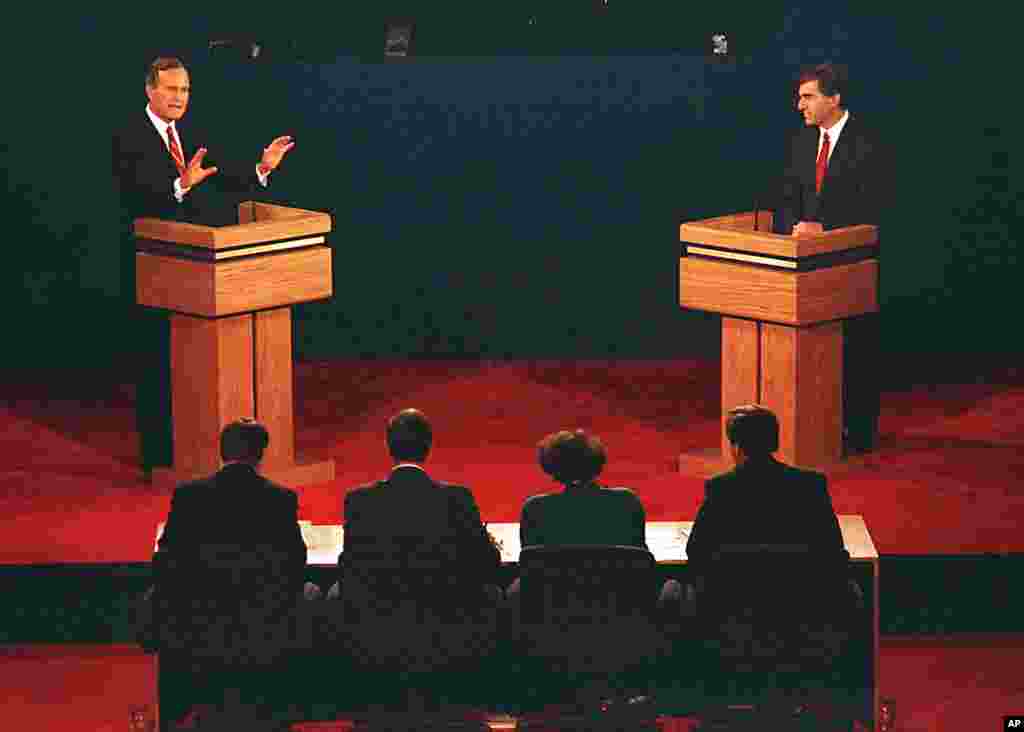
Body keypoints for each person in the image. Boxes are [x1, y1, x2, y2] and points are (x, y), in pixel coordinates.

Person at [111, 57, 296, 477]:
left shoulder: (191, 133)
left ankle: (204, 450)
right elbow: (133, 197)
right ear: (150, 91)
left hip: (198, 268)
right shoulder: (127, 136)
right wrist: (179, 186)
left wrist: (261, 168)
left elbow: (222, 179)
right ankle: (160, 459)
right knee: (158, 365)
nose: (180, 98)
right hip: (153, 268)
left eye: (185, 91)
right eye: (172, 90)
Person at [139, 419, 318, 725]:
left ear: (222, 452)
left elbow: (165, 563)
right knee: (312, 594)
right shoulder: (280, 499)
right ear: (260, 455)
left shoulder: (189, 497)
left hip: (199, 624)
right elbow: (294, 564)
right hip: (263, 625)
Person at [774, 63, 888, 454]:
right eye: (800, 96)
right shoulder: (802, 142)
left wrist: (825, 229)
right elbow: (788, 198)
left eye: (808, 97)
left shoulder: (870, 142)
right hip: (806, 268)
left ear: (834, 99)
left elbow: (877, 203)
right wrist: (793, 228)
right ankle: (814, 429)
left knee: (854, 352)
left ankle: (856, 435)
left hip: (852, 267)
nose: (799, 105)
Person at [685, 405, 860, 611]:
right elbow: (833, 552)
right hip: (803, 611)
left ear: (737, 447)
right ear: (774, 442)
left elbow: (696, 552)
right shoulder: (811, 485)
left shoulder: (721, 488)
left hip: (736, 615)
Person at [329, 408, 502, 615]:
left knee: (334, 594)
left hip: (378, 621)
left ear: (388, 447)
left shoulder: (359, 501)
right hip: (447, 620)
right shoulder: (458, 498)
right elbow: (487, 563)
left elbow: (349, 567)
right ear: (428, 447)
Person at [507, 429, 683, 617]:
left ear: (551, 466)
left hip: (553, 621)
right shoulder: (626, 502)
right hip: (624, 619)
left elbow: (530, 573)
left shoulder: (535, 509)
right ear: (597, 462)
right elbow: (641, 566)